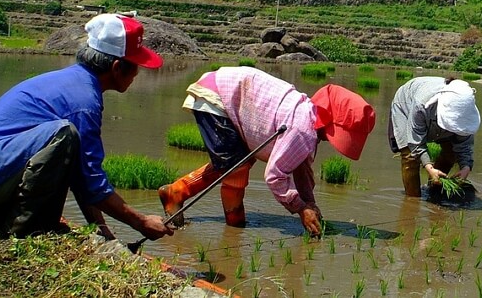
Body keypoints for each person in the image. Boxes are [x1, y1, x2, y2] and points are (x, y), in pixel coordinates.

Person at [0, 13, 174, 240]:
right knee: (63, 134)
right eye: (135, 66)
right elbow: (93, 183)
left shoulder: (74, 83)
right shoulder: (83, 103)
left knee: (66, 139)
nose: (137, 73)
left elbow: (82, 176)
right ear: (115, 67)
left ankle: (17, 217)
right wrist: (140, 222)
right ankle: (27, 229)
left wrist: (103, 231)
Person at [158, 67, 375, 236]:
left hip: (224, 90)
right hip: (217, 98)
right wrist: (300, 208)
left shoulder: (307, 118)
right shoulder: (303, 129)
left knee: (231, 162)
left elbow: (301, 167)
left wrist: (310, 203)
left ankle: (176, 192)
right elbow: (274, 176)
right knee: (237, 167)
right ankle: (234, 228)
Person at [388, 77, 481, 197]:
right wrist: (428, 166)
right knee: (410, 156)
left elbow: (464, 146)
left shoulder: (465, 110)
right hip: (406, 104)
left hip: (430, 112)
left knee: (451, 153)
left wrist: (466, 167)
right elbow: (416, 141)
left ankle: (435, 188)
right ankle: (412, 199)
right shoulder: (421, 105)